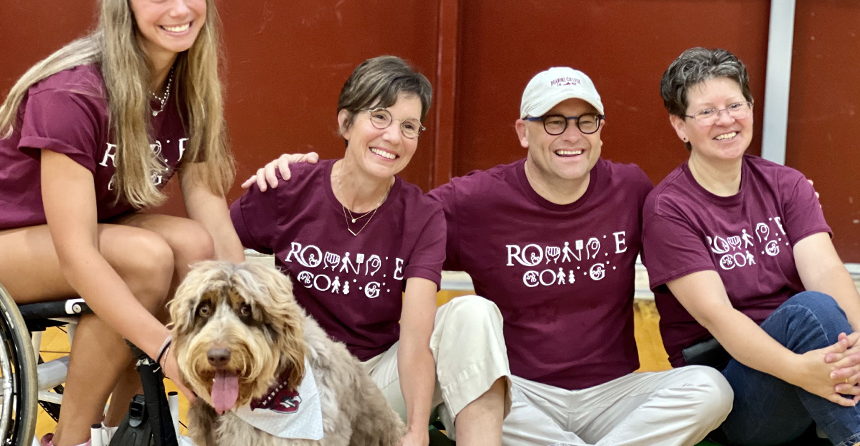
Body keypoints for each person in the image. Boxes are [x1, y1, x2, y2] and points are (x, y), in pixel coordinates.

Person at [248, 66, 733, 446]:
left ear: (601, 130)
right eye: (554, 121)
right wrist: (301, 177)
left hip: (612, 393)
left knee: (711, 390)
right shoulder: (467, 202)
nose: (571, 135)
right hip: (517, 395)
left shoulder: (631, 188)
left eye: (585, 121)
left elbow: (695, 230)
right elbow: (386, 209)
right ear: (524, 131)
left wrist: (765, 200)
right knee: (468, 385)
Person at [0, 0, 244, 445]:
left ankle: (122, 429)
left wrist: (249, 311)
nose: (180, 9)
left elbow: (209, 210)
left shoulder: (189, 86)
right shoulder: (74, 92)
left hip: (83, 235)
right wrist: (166, 350)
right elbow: (76, 254)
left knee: (195, 249)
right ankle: (71, 438)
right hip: (12, 240)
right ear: (125, 1)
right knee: (145, 258)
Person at [230, 55, 511, 446]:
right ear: (346, 123)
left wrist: (415, 431)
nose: (393, 137)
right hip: (295, 380)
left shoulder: (423, 215)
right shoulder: (290, 187)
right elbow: (215, 251)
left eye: (409, 126)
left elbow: (415, 337)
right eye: (380, 117)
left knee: (474, 312)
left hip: (374, 384)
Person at [642, 47, 860, 446]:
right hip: (734, 391)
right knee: (812, 311)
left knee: (825, 311)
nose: (726, 119)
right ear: (680, 126)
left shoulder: (786, 184)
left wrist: (858, 345)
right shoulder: (668, 209)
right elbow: (719, 317)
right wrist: (798, 368)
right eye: (706, 111)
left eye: (735, 104)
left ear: (751, 108)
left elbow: (827, 271)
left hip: (814, 364)